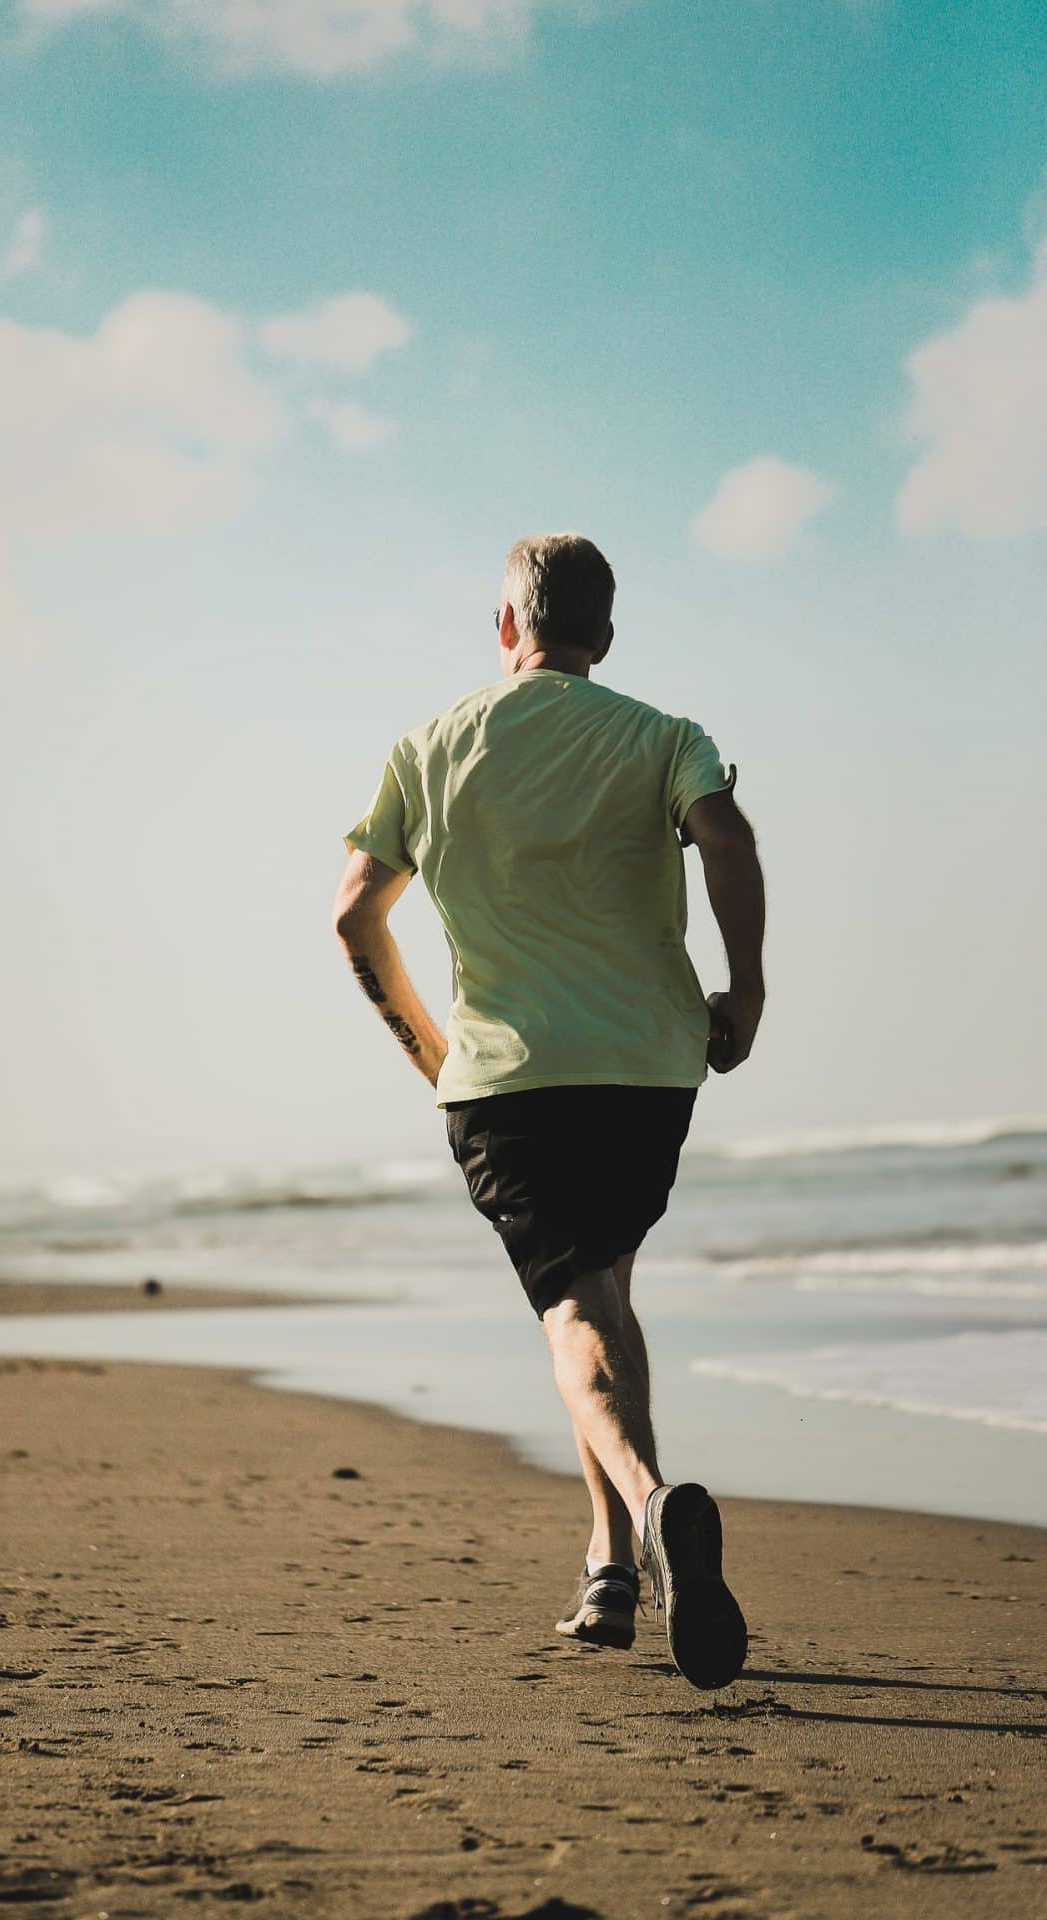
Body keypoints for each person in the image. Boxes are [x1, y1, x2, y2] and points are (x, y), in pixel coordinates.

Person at [331, 532, 765, 1690]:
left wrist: (432, 1051)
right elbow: (725, 836)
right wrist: (749, 990)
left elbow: (352, 919)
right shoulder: (663, 735)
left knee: (574, 1313)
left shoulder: (427, 749)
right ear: (603, 638)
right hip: (647, 1070)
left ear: (504, 627)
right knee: (603, 1297)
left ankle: (649, 1504)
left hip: (508, 1080)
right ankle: (609, 1568)